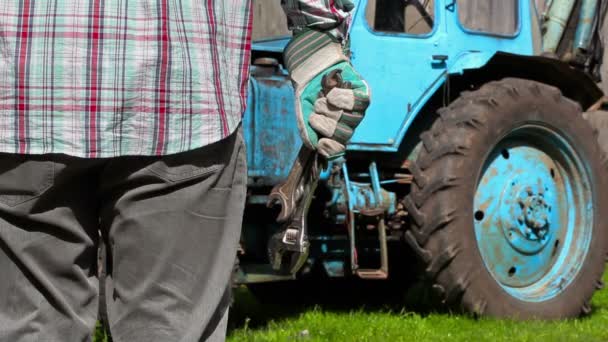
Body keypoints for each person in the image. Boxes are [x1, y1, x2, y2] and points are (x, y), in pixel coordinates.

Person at [0, 1, 370, 341]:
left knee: (31, 328)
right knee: (168, 327)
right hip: (180, 92)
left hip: (22, 91)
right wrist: (317, 32)